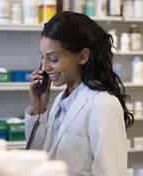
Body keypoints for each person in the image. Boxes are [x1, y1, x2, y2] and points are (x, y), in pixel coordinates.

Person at [25, 11, 134, 176]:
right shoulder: (61, 101)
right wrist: (38, 109)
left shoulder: (103, 105)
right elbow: (38, 161)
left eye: (53, 59)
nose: (45, 67)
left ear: (82, 56)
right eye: (43, 58)